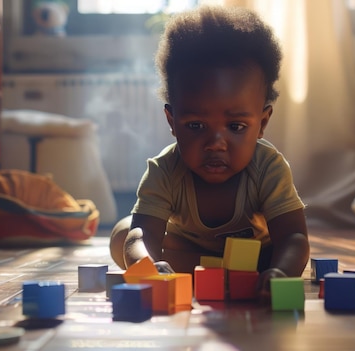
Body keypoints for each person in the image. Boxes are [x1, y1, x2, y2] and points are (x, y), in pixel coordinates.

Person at [109, 5, 309, 299]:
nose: (216, 142)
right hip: (185, 251)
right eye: (196, 125)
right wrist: (146, 263)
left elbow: (294, 236)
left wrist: (280, 273)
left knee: (281, 254)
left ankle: (237, 273)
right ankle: (195, 272)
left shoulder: (268, 167)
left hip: (256, 256)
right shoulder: (165, 170)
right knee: (123, 236)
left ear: (262, 123)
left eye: (236, 126)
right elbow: (142, 233)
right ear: (172, 122)